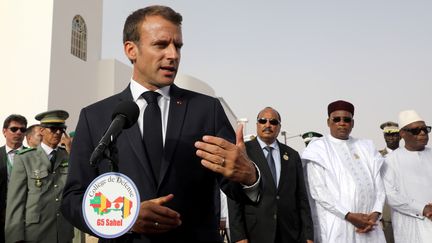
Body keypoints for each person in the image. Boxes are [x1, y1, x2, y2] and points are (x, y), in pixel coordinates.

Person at [61, 5, 260, 243]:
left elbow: (235, 186)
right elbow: (73, 199)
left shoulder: (207, 110)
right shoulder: (95, 117)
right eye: (161, 45)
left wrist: (250, 176)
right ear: (131, 50)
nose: (173, 55)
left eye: (178, 46)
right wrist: (127, 218)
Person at [301, 100, 386, 243]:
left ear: (352, 123)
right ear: (328, 122)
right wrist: (349, 215)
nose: (342, 123)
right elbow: (318, 191)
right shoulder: (318, 149)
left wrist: (376, 213)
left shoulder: (366, 146)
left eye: (347, 119)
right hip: (338, 223)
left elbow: (379, 183)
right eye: (336, 119)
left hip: (370, 225)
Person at [228, 107, 314, 243]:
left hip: (289, 233)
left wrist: (308, 235)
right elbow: (234, 197)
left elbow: (301, 197)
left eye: (273, 122)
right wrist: (239, 236)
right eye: (263, 121)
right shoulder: (244, 151)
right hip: (255, 232)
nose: (268, 125)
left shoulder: (292, 155)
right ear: (257, 125)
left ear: (279, 127)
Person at [5, 110, 74, 243]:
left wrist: (73, 154)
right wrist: (15, 238)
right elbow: (16, 203)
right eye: (53, 129)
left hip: (63, 233)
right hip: (35, 234)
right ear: (42, 130)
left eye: (61, 129)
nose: (58, 133)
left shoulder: (68, 156)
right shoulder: (25, 159)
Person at [381, 110, 432, 242]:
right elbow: (390, 195)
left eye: (425, 129)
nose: (422, 133)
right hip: (410, 228)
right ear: (402, 134)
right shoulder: (389, 161)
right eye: (416, 130)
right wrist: (422, 208)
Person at [0, 114, 27, 243]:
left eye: (22, 130)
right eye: (14, 129)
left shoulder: (33, 155)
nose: (18, 132)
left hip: (25, 217)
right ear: (4, 131)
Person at [378, 121, 400, 243]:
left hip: (408, 210)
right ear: (384, 136)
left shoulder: (408, 155)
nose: (391, 137)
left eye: (395, 134)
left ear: (400, 135)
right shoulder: (376, 156)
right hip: (386, 211)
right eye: (388, 134)